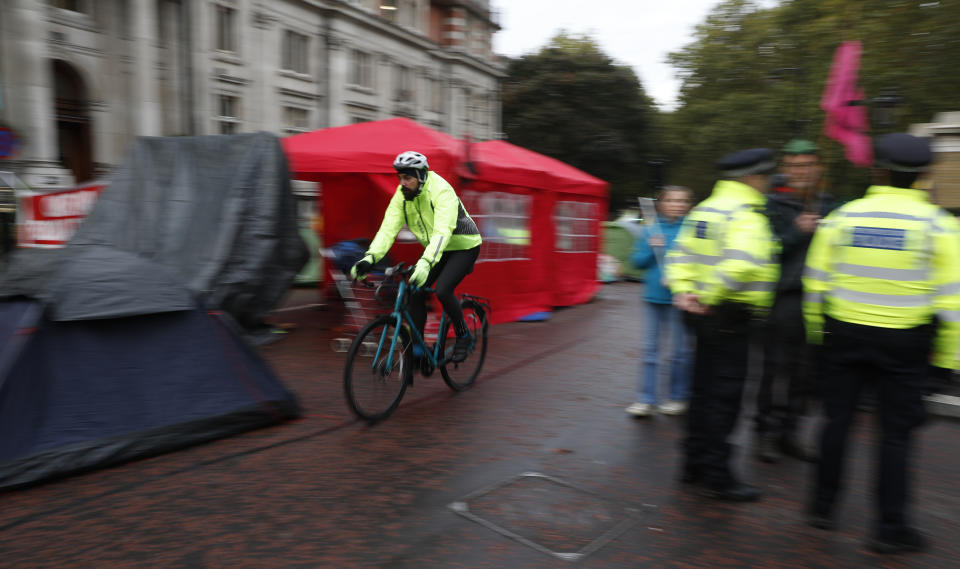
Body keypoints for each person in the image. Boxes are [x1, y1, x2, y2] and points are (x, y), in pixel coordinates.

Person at [803, 133, 960, 553]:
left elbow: (814, 284)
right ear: (924, 176)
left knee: (837, 422)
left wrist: (818, 338)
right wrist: (945, 361)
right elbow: (953, 302)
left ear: (879, 170)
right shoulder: (940, 225)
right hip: (905, 346)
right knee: (895, 436)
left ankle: (821, 507)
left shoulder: (841, 217)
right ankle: (889, 529)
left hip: (843, 335)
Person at [665, 148, 780, 502]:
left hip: (698, 314)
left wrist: (686, 291)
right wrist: (710, 296)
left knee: (701, 391)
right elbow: (742, 264)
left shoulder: (705, 210)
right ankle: (718, 474)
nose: (768, 183)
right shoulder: (747, 214)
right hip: (728, 314)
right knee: (725, 398)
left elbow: (679, 256)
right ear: (752, 178)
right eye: (765, 177)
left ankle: (693, 463)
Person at [350, 151, 483, 362]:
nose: (402, 183)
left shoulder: (441, 190)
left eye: (407, 178)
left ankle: (463, 335)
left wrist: (425, 262)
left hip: (464, 246)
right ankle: (419, 348)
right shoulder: (402, 195)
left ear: (421, 176)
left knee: (443, 289)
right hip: (437, 248)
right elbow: (387, 229)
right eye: (400, 177)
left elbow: (443, 231)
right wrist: (370, 258)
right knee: (415, 291)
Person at [754, 139, 834, 463]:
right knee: (775, 370)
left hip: (818, 301)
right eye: (794, 165)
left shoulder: (829, 204)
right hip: (782, 299)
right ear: (784, 169)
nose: (801, 171)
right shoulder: (770, 205)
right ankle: (765, 434)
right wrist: (796, 232)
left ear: (818, 168)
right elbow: (763, 250)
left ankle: (791, 433)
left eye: (807, 164)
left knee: (807, 372)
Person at [625, 186, 694, 417]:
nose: (678, 204)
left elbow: (701, 262)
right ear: (662, 205)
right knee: (650, 350)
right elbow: (636, 262)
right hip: (654, 297)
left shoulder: (694, 229)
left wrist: (678, 279)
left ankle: (678, 397)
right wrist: (650, 247)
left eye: (683, 200)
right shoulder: (651, 229)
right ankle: (645, 399)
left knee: (680, 352)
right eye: (673, 200)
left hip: (681, 298)